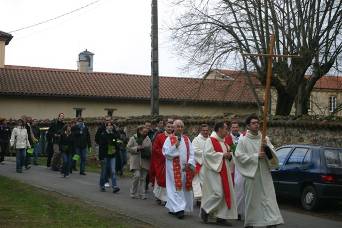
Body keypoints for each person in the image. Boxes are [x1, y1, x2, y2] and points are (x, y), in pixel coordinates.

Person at [234, 114, 284, 228]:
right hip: (252, 174)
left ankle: (271, 221)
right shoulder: (243, 140)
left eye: (258, 123)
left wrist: (266, 148)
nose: (257, 125)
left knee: (268, 197)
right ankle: (252, 222)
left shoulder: (264, 138)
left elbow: (273, 156)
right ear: (248, 125)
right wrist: (255, 156)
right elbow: (239, 156)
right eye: (253, 123)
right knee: (253, 200)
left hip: (265, 173)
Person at [200, 122, 237, 225]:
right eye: (226, 129)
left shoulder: (224, 142)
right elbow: (207, 155)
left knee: (225, 193)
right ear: (219, 129)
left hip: (225, 171)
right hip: (214, 172)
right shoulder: (210, 140)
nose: (227, 131)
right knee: (218, 193)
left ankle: (221, 217)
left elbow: (228, 157)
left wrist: (230, 156)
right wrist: (222, 155)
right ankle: (205, 209)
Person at [163, 119, 195, 219]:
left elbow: (192, 152)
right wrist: (175, 146)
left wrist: (189, 163)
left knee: (184, 188)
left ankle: (174, 208)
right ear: (174, 127)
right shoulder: (169, 139)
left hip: (185, 168)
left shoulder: (186, 139)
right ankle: (179, 209)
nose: (180, 128)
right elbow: (166, 153)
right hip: (173, 169)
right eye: (178, 126)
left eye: (181, 126)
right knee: (175, 188)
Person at [150, 120, 173, 205]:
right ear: (165, 127)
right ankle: (159, 197)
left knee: (168, 180)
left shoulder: (174, 137)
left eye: (171, 127)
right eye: (168, 127)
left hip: (171, 162)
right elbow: (155, 148)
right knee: (160, 179)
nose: (170, 128)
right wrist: (165, 154)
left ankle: (165, 198)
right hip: (161, 161)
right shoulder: (160, 136)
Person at [127, 125, 152, 199]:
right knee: (137, 176)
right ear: (140, 131)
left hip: (145, 161)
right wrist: (137, 148)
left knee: (143, 178)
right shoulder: (133, 138)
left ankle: (142, 194)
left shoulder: (148, 139)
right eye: (144, 132)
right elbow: (128, 148)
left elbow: (151, 149)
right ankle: (133, 193)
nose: (145, 133)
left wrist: (148, 151)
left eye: (146, 132)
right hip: (135, 160)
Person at [97, 121, 121, 193]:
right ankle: (102, 185)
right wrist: (101, 157)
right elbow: (101, 147)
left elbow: (116, 142)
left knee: (113, 171)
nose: (110, 127)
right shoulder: (103, 135)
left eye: (111, 125)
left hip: (112, 155)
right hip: (105, 156)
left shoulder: (114, 134)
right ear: (106, 126)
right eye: (108, 125)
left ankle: (115, 187)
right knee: (104, 171)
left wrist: (117, 144)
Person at [191, 124, 209, 205]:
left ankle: (206, 199)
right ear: (200, 131)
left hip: (210, 164)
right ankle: (200, 199)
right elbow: (195, 151)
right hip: (201, 163)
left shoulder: (211, 139)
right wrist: (207, 154)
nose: (205, 132)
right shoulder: (196, 140)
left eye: (206, 130)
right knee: (201, 182)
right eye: (203, 130)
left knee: (208, 182)